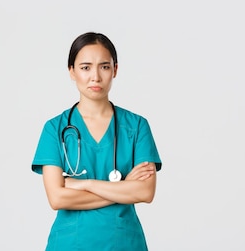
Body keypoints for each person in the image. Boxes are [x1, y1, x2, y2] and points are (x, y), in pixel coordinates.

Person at [31, 32, 162, 250]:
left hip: (123, 243)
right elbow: (57, 198)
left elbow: (145, 193)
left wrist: (84, 184)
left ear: (115, 70)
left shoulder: (137, 126)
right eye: (85, 67)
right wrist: (123, 188)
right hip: (70, 243)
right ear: (71, 71)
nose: (95, 77)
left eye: (104, 66)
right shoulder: (55, 128)